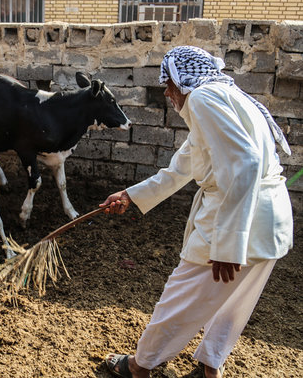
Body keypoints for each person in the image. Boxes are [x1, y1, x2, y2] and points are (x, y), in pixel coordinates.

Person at [100, 46, 293, 378]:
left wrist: (230, 245)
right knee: (236, 302)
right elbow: (180, 170)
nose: (165, 91)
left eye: (168, 83)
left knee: (180, 294)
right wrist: (130, 195)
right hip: (269, 219)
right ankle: (209, 368)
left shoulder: (203, 99)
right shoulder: (221, 98)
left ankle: (139, 366)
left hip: (234, 219)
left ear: (182, 81)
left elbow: (246, 164)